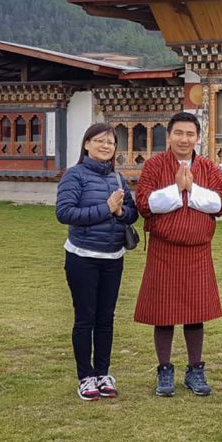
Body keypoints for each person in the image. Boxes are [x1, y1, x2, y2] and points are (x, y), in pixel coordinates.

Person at [134, 111, 222, 397]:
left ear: (198, 138)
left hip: (198, 251)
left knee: (195, 313)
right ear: (169, 135)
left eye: (190, 134)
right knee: (163, 314)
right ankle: (164, 370)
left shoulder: (209, 168)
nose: (184, 139)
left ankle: (195, 370)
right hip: (164, 250)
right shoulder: (153, 166)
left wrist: (193, 189)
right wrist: (176, 189)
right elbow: (144, 204)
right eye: (179, 133)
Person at [55, 123, 138, 401]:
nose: (106, 146)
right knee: (85, 318)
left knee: (106, 318)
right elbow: (65, 213)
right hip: (83, 257)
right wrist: (106, 209)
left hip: (113, 257)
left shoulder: (118, 178)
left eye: (111, 142)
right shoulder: (74, 175)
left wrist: (120, 211)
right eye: (100, 141)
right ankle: (85, 376)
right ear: (87, 144)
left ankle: (103, 373)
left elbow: (132, 214)